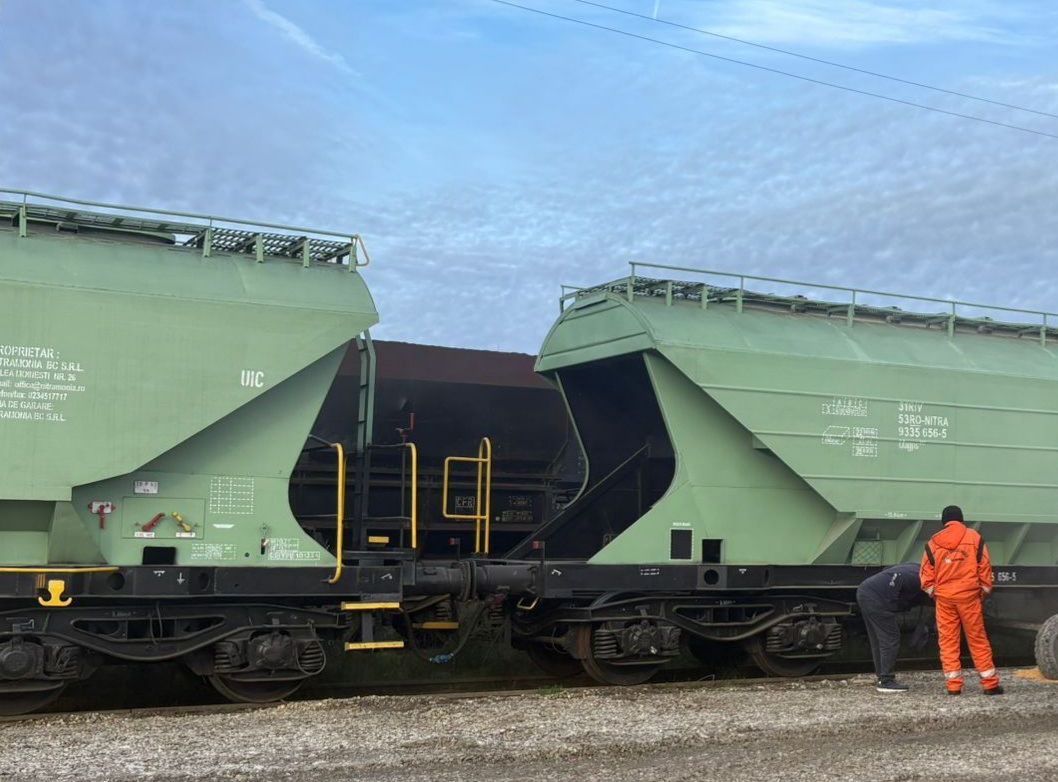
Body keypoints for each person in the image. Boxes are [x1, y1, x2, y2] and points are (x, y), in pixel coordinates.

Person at [920, 505, 1003, 695]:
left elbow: (925, 576)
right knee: (977, 639)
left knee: (948, 640)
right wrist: (982, 591)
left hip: (945, 599)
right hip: (969, 597)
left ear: (944, 522)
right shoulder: (974, 538)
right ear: (961, 519)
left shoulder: (933, 542)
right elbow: (985, 567)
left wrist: (936, 593)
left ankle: (954, 686)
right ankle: (990, 684)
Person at [856, 563, 928, 692]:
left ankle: (881, 676)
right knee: (890, 638)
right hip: (878, 598)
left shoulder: (915, 568)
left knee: (877, 639)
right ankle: (886, 681)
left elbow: (887, 570)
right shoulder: (922, 578)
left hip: (864, 590)